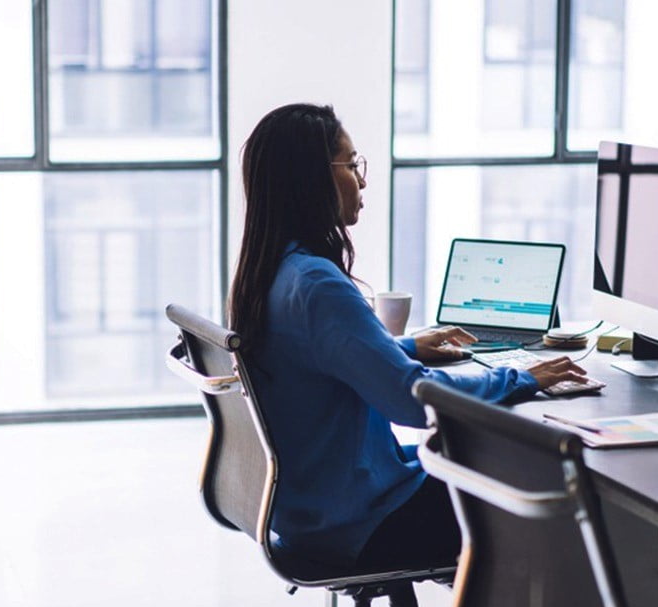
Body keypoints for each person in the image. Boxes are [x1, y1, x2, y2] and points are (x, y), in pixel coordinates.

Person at [228, 103, 588, 570]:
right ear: (311, 179)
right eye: (351, 164)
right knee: (546, 490)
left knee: (476, 458)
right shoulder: (317, 285)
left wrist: (406, 348)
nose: (361, 180)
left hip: (312, 506)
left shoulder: (273, 270)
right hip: (360, 519)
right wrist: (520, 378)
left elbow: (319, 363)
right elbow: (414, 402)